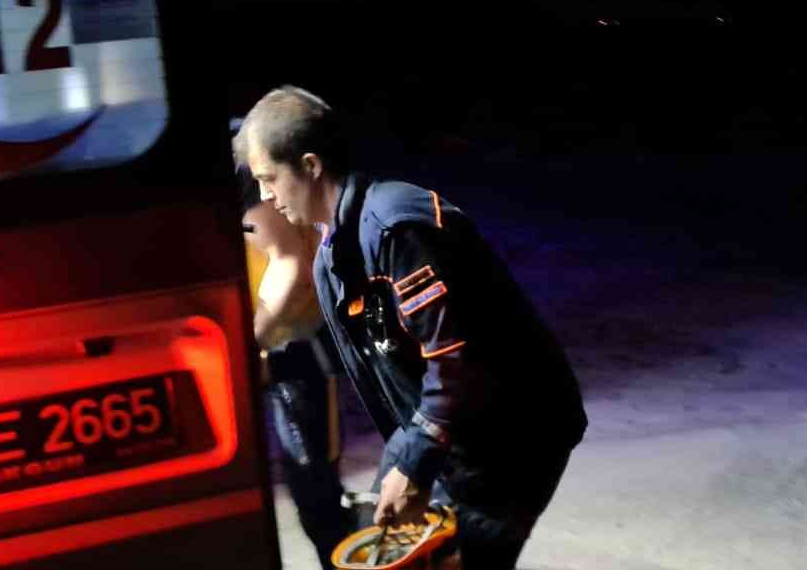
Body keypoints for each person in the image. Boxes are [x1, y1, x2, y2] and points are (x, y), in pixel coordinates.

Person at [233, 86, 588, 570]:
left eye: (270, 179)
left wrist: (415, 461)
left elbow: (455, 357)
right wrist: (406, 459)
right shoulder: (336, 252)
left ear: (311, 166)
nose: (266, 198)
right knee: (385, 548)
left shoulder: (396, 226)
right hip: (451, 429)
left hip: (513, 436)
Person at [241, 174, 358, 570]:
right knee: (306, 491)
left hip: (295, 352)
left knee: (316, 492)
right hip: (278, 350)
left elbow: (290, 263)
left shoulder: (243, 179)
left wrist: (247, 342)